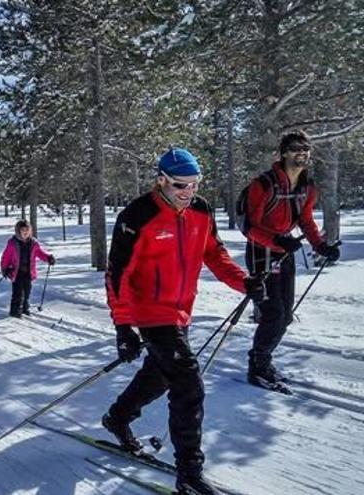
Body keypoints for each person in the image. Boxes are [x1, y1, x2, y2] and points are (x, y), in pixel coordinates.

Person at [103, 148, 265, 495]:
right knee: (189, 383)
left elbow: (214, 253)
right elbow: (118, 274)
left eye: (194, 184)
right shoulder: (138, 215)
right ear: (160, 179)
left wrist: (244, 281)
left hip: (180, 311)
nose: (188, 192)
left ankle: (117, 418)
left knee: (160, 376)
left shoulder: (201, 211)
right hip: (150, 311)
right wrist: (123, 326)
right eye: (180, 185)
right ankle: (189, 473)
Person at [240, 130, 340, 388]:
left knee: (285, 316)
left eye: (306, 149)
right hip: (261, 252)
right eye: (296, 148)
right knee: (273, 314)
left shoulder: (307, 187)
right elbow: (249, 226)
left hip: (286, 251)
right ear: (283, 153)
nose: (302, 153)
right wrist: (277, 241)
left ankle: (262, 362)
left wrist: (321, 246)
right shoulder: (263, 184)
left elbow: (305, 220)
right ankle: (258, 366)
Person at [0, 219, 55, 317]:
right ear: (18, 231)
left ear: (30, 231)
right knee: (18, 293)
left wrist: (48, 258)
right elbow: (6, 257)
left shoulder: (33, 243)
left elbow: (40, 253)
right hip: (16, 272)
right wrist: (5, 268)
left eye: (27, 231)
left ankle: (24, 308)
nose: (25, 233)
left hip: (28, 271)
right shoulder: (13, 243)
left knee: (27, 290)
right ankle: (15, 311)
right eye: (22, 231)